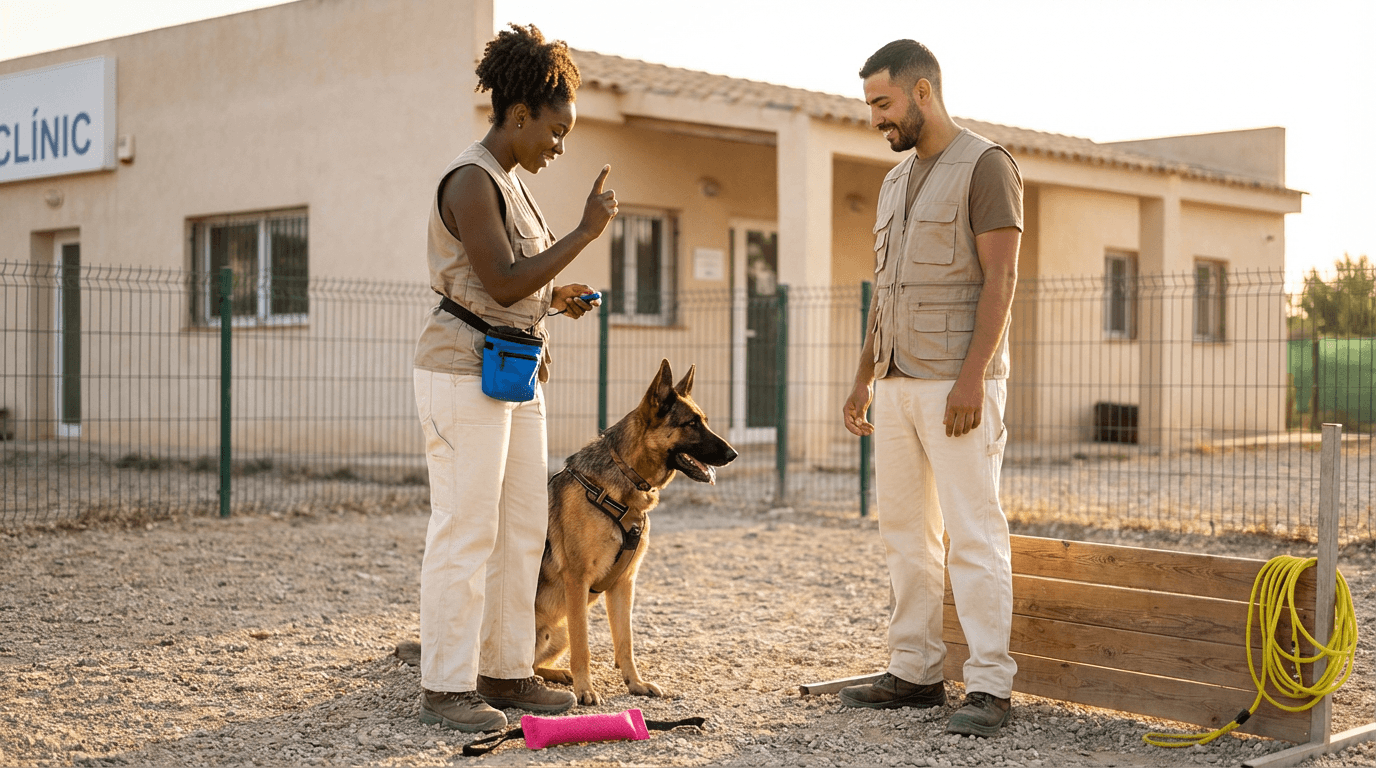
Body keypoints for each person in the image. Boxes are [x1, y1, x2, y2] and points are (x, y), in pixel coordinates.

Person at [411, 23, 618, 733]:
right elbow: (498, 283)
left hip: (513, 373)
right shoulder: (471, 179)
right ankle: (445, 686)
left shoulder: (512, 185)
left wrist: (554, 300)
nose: (559, 146)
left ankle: (505, 670)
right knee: (465, 530)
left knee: (522, 528)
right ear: (521, 112)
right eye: (555, 131)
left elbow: (512, 282)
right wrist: (587, 231)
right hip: (464, 372)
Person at [840, 39, 1023, 738]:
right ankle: (914, 672)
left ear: (923, 93)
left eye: (883, 104)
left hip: (958, 385)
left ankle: (990, 688)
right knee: (905, 535)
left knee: (973, 533)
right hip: (895, 384)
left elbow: (1001, 280)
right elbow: (884, 293)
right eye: (870, 108)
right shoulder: (893, 182)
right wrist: (863, 376)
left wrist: (974, 377)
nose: (876, 119)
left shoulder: (988, 166)